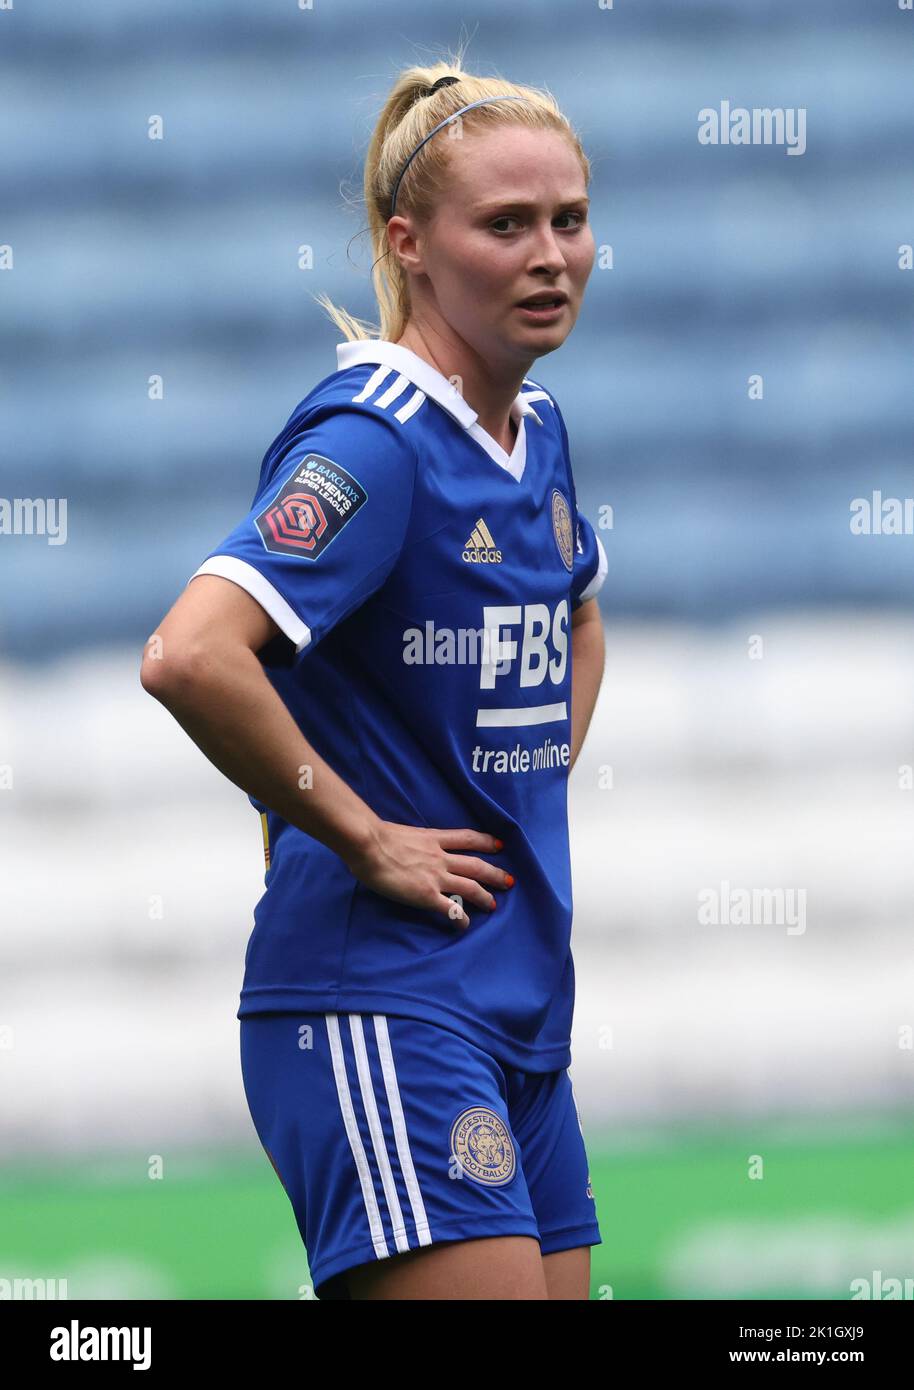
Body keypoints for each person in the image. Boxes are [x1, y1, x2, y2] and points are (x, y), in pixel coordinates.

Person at [141, 56, 608, 1301]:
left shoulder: (536, 427)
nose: (550, 252)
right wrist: (361, 833)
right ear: (409, 244)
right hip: (377, 1001)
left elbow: (576, 607)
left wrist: (518, 779)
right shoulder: (374, 439)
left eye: (568, 218)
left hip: (512, 1001)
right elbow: (189, 654)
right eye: (504, 225)